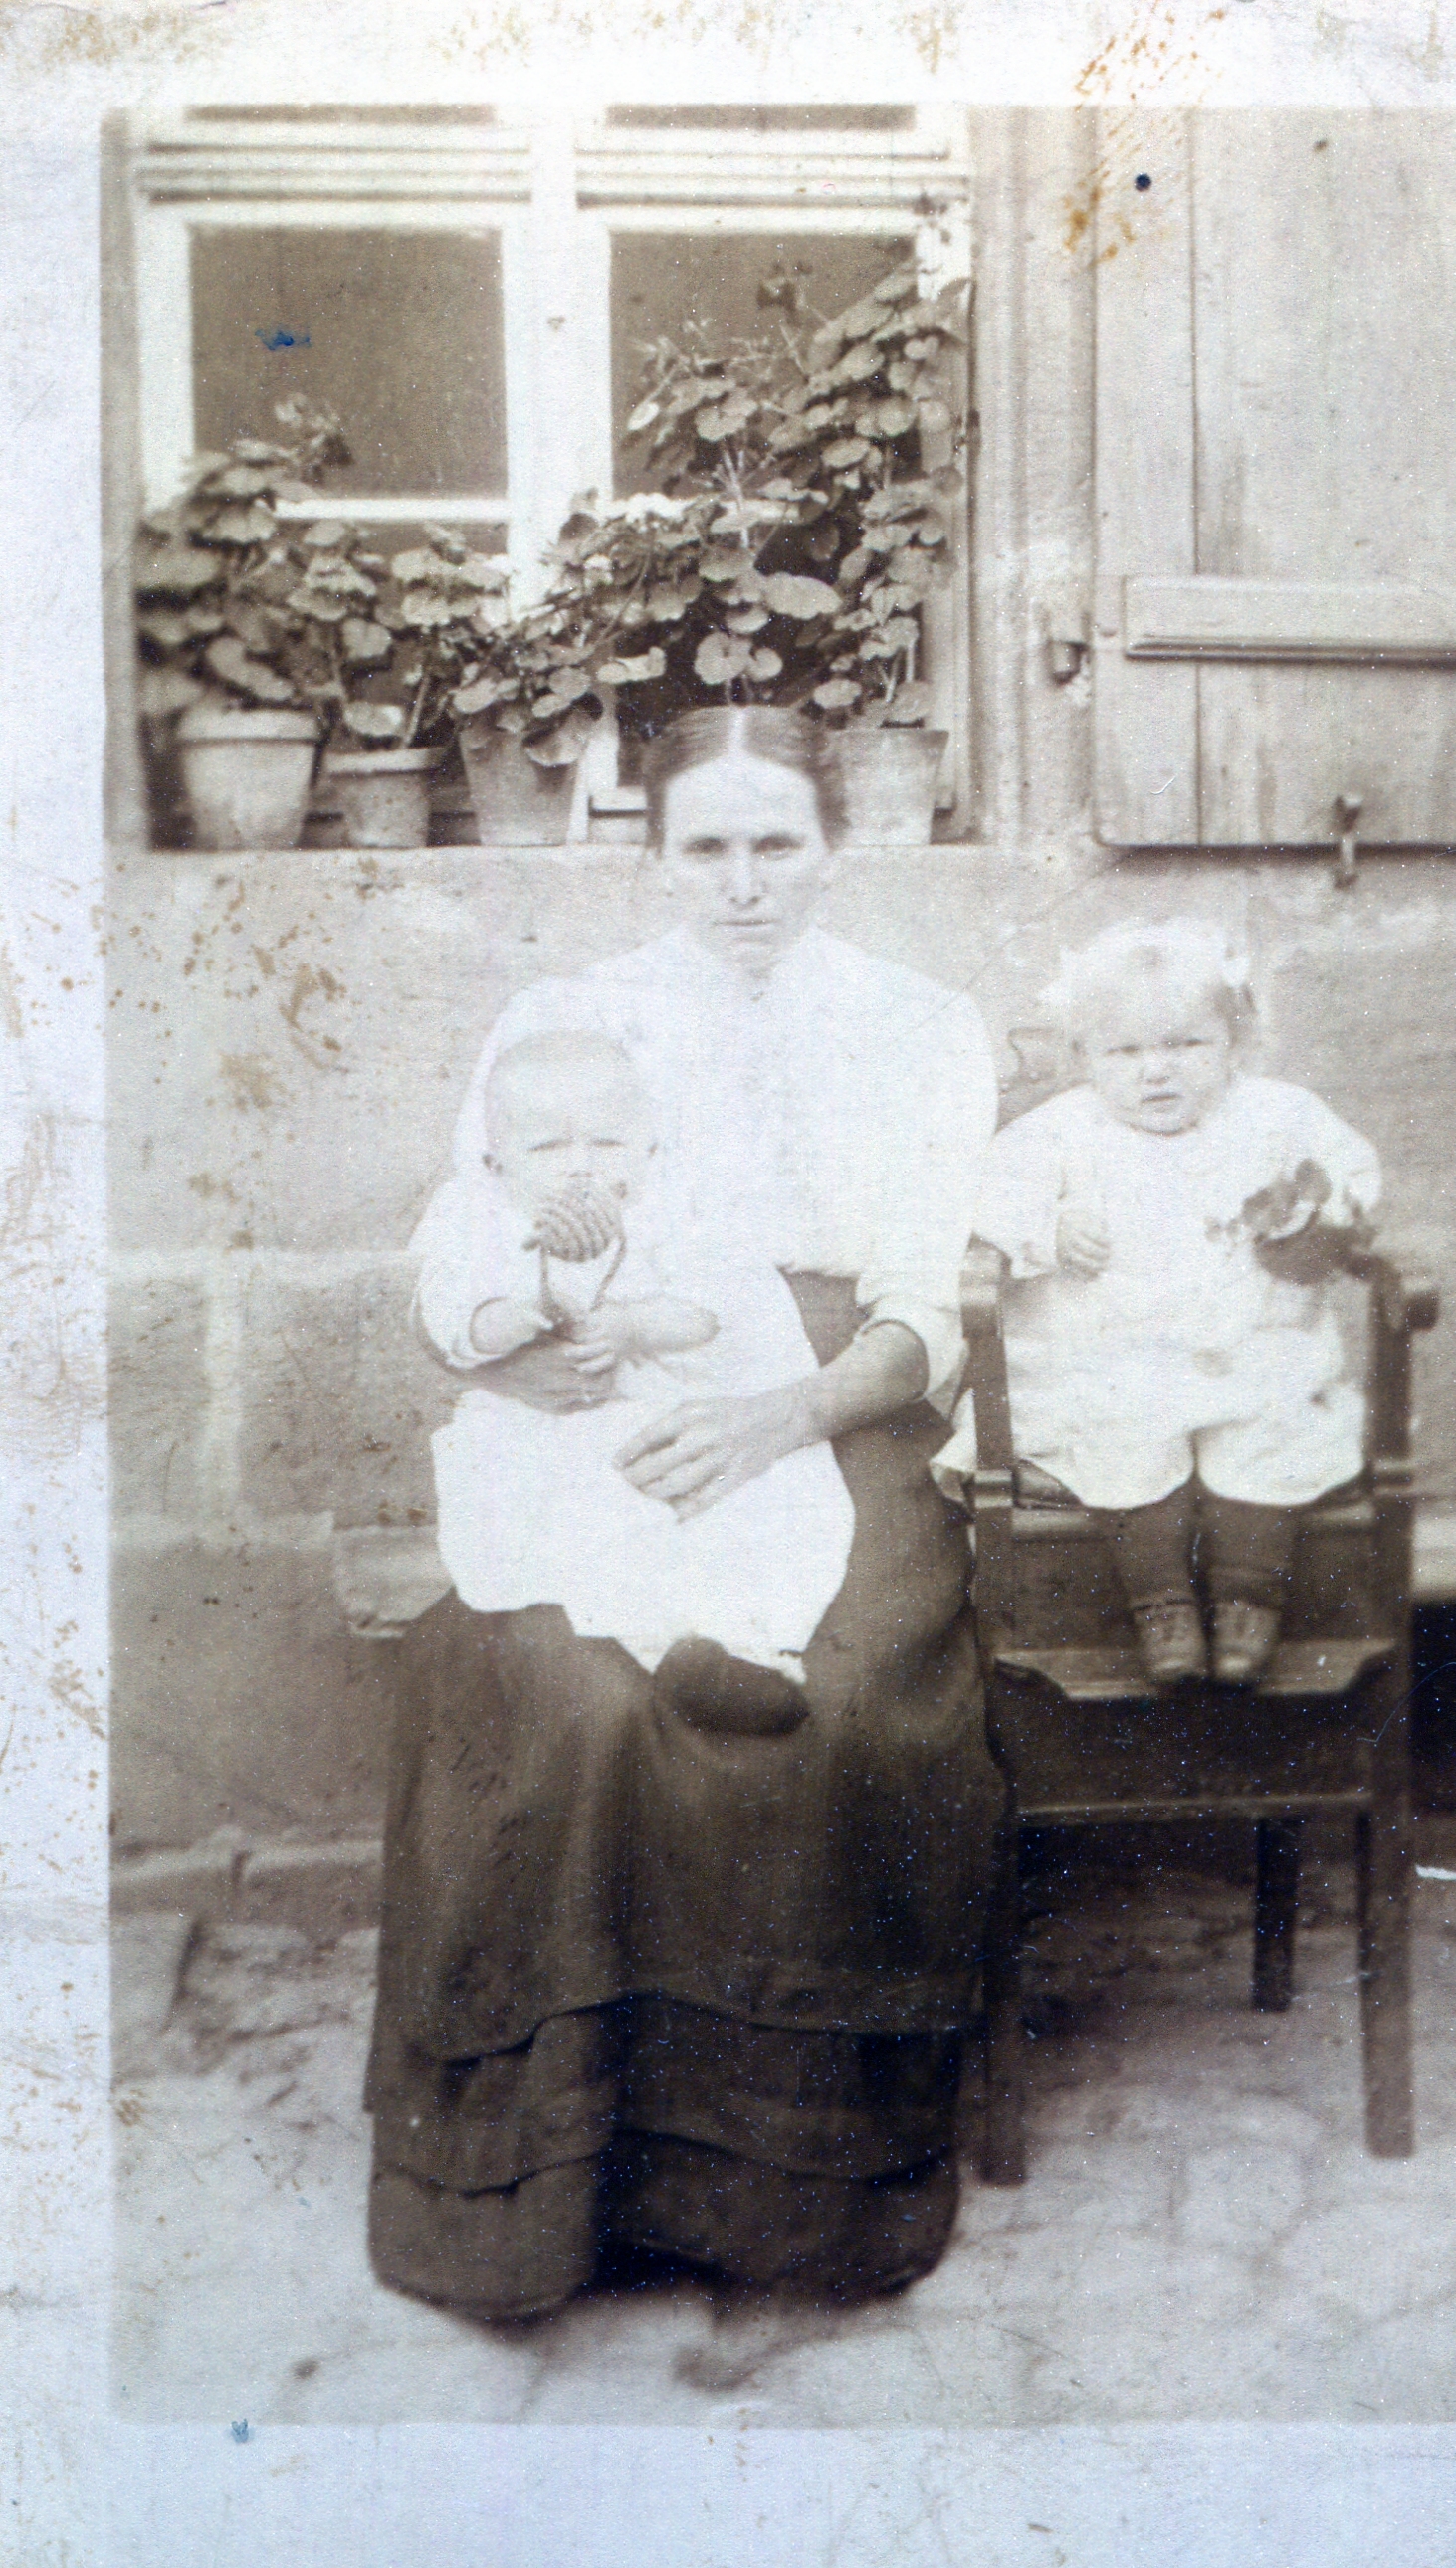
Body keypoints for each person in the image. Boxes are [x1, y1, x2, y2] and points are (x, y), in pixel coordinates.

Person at [365, 705, 1003, 2340]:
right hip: (586, 1413)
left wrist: (775, 1416)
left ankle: (788, 2218)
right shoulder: (566, 1020)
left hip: (832, 1407)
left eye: (776, 843)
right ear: (653, 854)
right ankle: (543, 2207)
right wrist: (530, 1355)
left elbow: (924, 1307)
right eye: (705, 846)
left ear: (832, 845)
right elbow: (472, 1241)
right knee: (561, 1693)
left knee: (843, 1700)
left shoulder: (920, 1025)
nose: (743, 882)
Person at [936, 919, 1381, 1687]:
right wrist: (1049, 1231)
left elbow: (1348, 1179)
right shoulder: (1057, 1133)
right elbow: (991, 1211)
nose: (1157, 1072)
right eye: (1125, 1052)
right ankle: (1160, 1601)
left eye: (1187, 1045)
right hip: (1107, 1358)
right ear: (1084, 1056)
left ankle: (1248, 1598)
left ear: (1235, 1043)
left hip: (1247, 1346)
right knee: (1123, 1435)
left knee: (1269, 1433)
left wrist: (1314, 1217)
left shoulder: (1280, 1116)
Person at [414, 1026, 856, 1723]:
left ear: (649, 1148)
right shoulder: (474, 1218)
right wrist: (535, 1305)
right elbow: (459, 1327)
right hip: (551, 1423)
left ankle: (753, 1648)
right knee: (585, 1514)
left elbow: (709, 1311)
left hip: (675, 1403)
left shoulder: (674, 1211)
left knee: (750, 1503)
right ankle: (662, 1651)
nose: (581, 1167)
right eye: (548, 1147)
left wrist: (633, 1323)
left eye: (608, 1142)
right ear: (495, 1164)